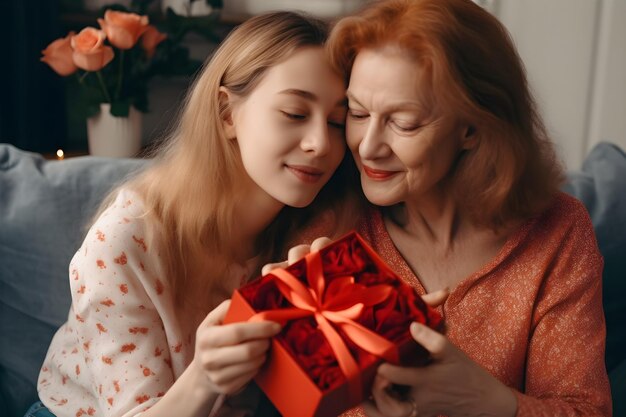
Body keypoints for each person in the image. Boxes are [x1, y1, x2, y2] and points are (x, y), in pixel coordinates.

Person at [276, 0, 612, 416]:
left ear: (471, 128)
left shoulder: (558, 229)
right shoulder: (326, 220)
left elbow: (586, 410)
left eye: (404, 123)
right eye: (358, 113)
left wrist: (490, 402)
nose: (368, 146)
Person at [30, 11, 358, 417]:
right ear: (227, 114)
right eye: (294, 113)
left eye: (338, 121)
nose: (320, 143)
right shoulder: (126, 239)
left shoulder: (317, 228)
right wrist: (204, 375)